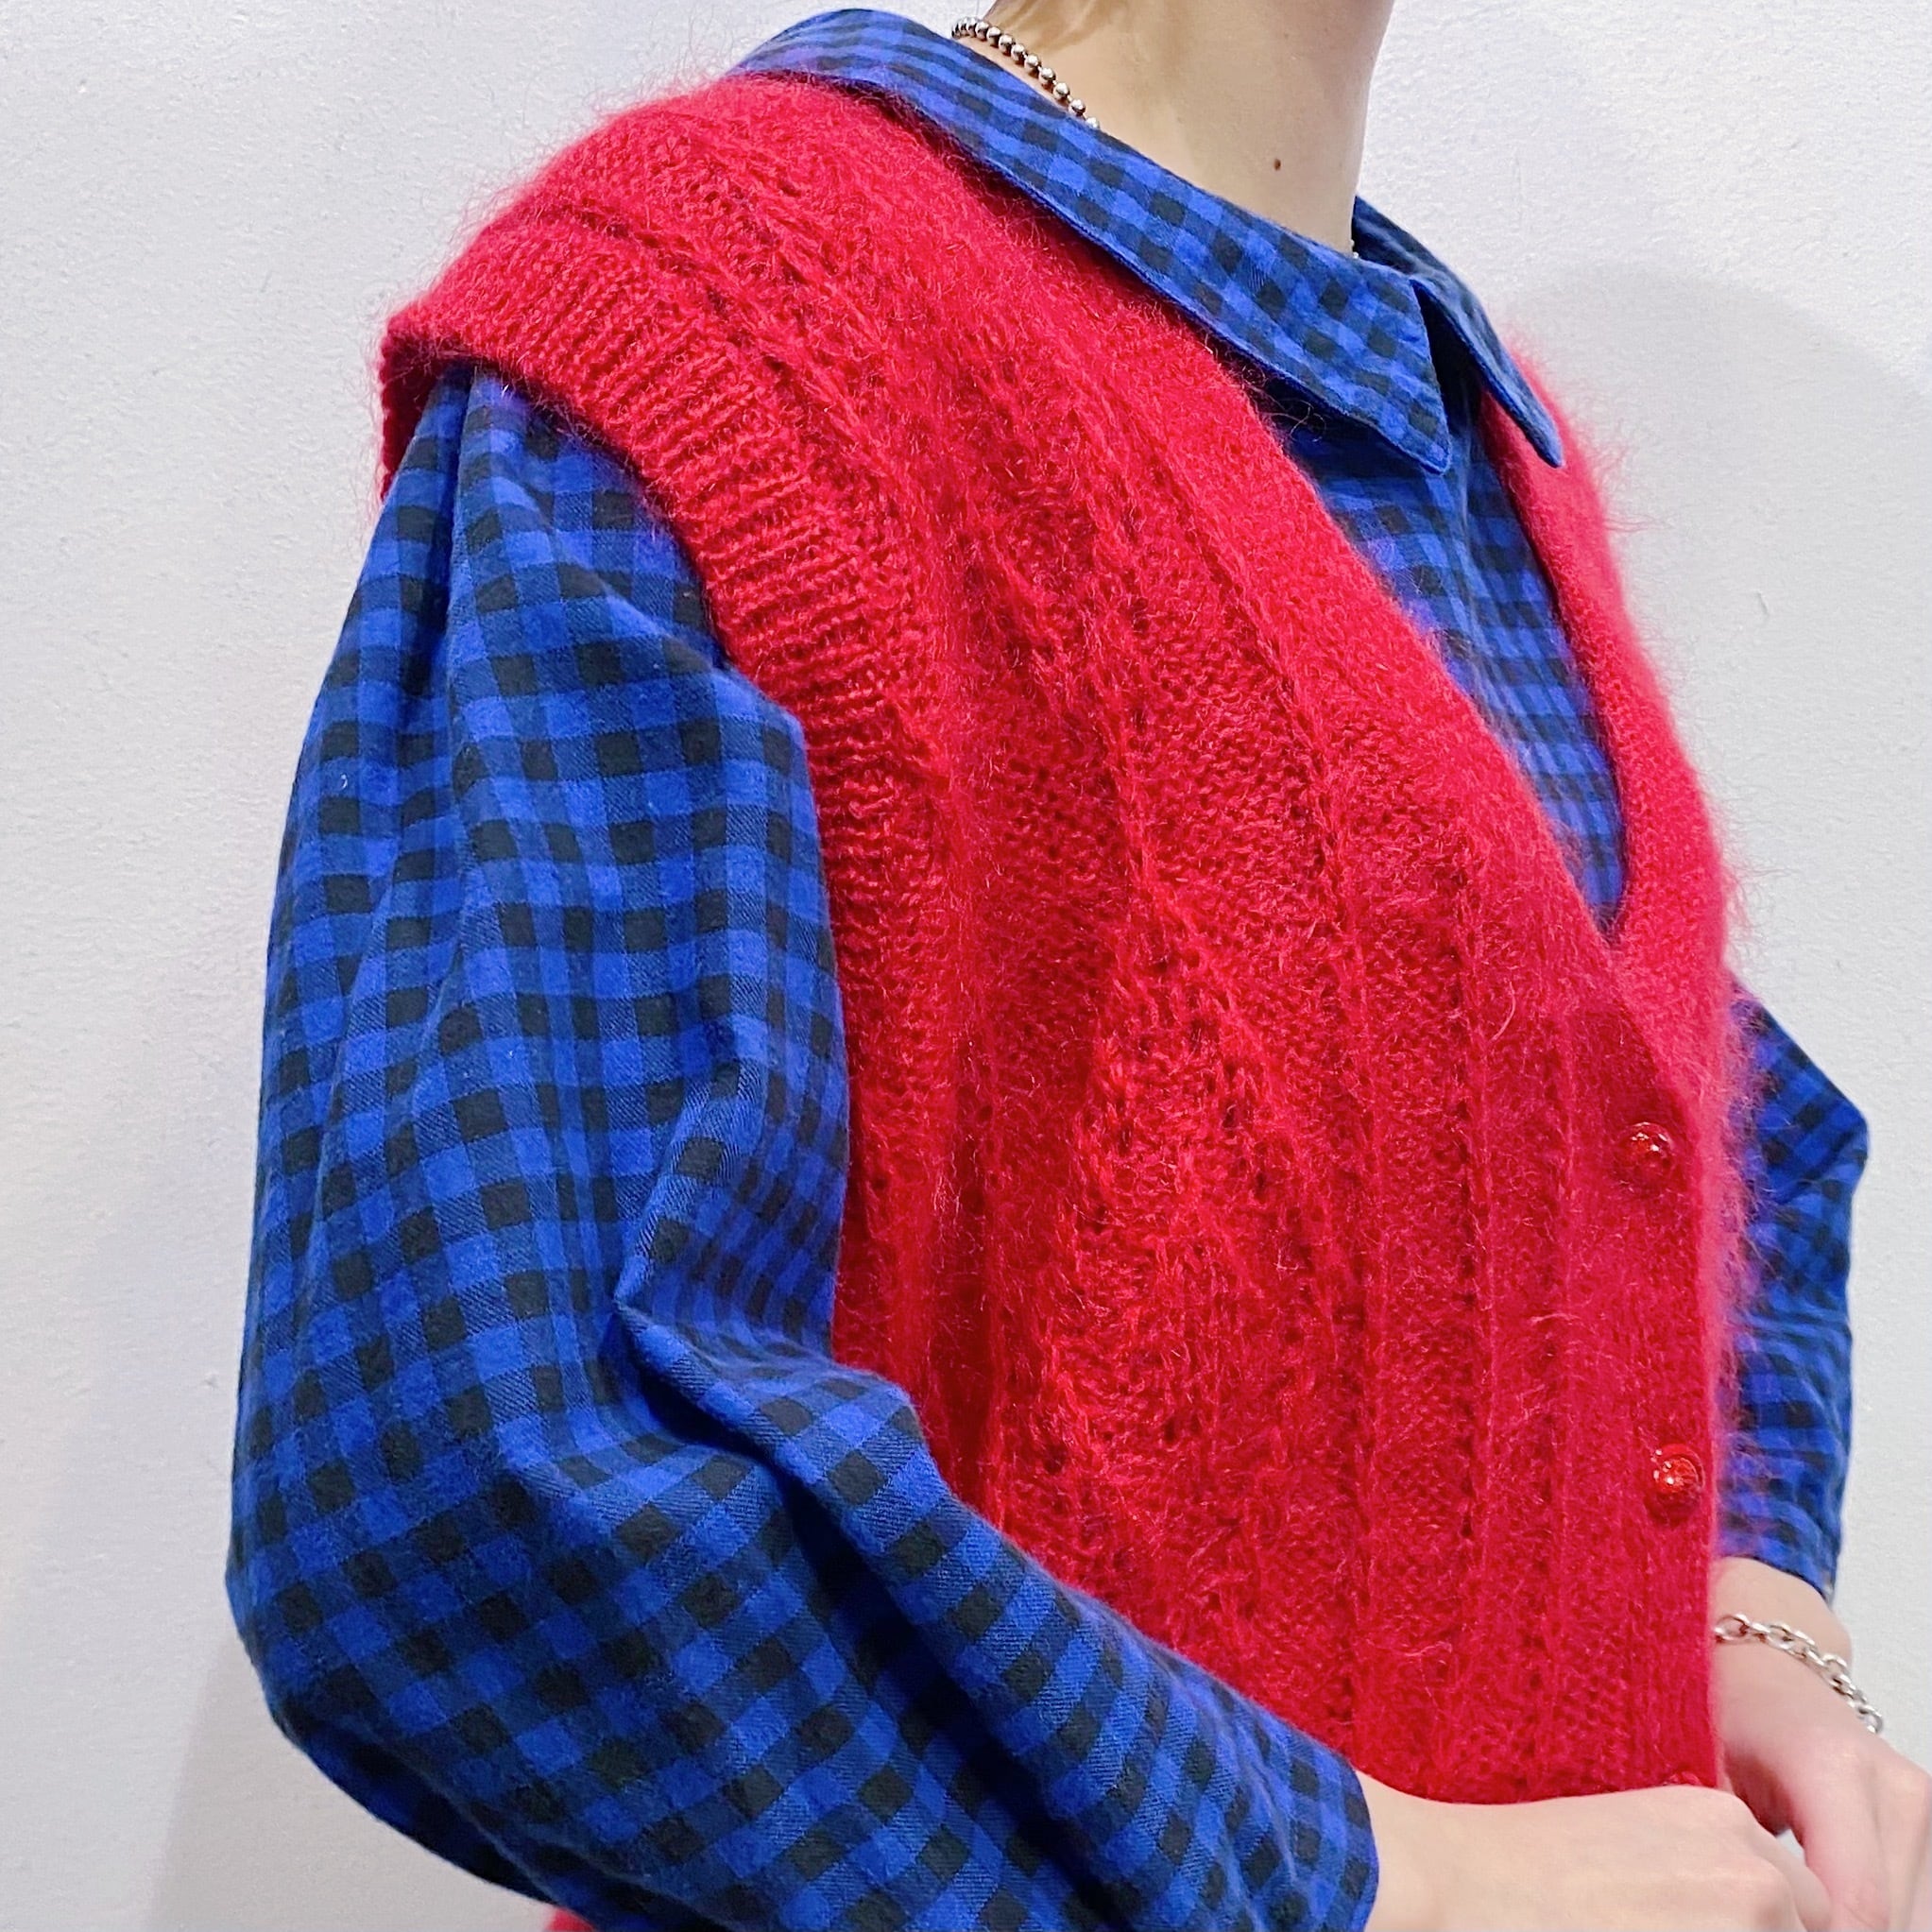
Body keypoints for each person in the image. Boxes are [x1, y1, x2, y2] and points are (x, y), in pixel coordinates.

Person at [226, 2, 1930, 1926]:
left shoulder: (1465, 439)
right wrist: (1392, 1883)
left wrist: (1750, 1608)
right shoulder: (729, 320)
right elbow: (475, 1483)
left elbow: (1691, 1130)